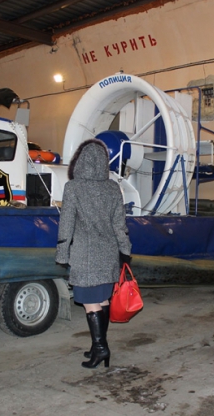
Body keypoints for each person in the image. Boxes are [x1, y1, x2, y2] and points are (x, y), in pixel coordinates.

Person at [55, 138, 132, 369]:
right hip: (108, 255)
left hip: (85, 257)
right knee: (102, 300)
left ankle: (101, 348)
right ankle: (98, 344)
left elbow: (66, 225)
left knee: (90, 303)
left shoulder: (73, 188)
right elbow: (120, 225)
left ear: (79, 161)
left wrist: (62, 254)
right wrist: (125, 250)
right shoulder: (113, 188)